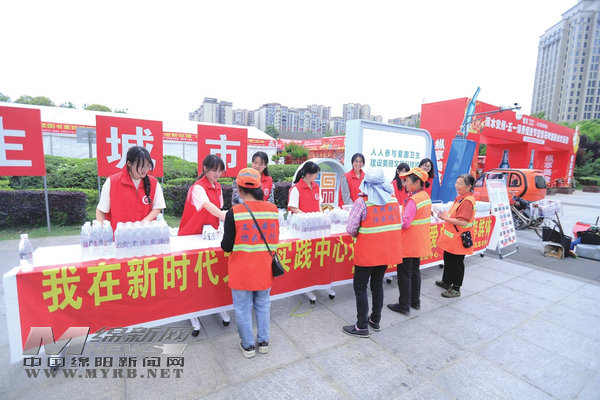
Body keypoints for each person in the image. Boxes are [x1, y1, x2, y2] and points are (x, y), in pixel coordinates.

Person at [221, 168, 279, 358]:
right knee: (263, 305)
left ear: (238, 189)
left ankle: (247, 346)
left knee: (242, 308)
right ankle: (263, 341)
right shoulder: (273, 210)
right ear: (258, 187)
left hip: (242, 271)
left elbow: (226, 246)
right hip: (264, 268)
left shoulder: (234, 213)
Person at [343, 168, 403, 338]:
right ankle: (375, 319)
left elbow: (351, 229)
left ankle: (361, 326)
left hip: (367, 253)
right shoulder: (393, 200)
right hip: (385, 252)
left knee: (360, 286)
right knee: (377, 285)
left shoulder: (362, 202)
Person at [387, 167, 432, 316]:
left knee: (404, 274)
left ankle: (404, 305)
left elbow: (405, 223)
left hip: (408, 243)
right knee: (415, 273)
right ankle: (415, 301)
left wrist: (394, 218)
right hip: (418, 242)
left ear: (417, 182)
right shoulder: (425, 196)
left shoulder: (413, 200)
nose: (405, 184)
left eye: (407, 181)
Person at [96, 146, 165, 232]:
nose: (145, 170)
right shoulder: (112, 182)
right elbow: (101, 210)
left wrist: (141, 225)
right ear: (129, 163)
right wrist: (102, 232)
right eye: (141, 166)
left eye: (148, 166)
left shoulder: (153, 183)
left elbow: (157, 208)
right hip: (119, 236)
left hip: (145, 234)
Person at [435, 174, 476, 298]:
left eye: (460, 184)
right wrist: (444, 215)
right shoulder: (461, 199)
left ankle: (456, 288)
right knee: (448, 260)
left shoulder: (467, 201)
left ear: (468, 186)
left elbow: (462, 222)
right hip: (453, 238)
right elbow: (455, 216)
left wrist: (445, 218)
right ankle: (447, 282)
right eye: (456, 182)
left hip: (459, 238)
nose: (456, 186)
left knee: (457, 264)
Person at [178, 155, 226, 236]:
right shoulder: (198, 187)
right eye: (214, 170)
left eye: (220, 170)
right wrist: (225, 217)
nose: (217, 174)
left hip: (210, 233)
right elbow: (206, 204)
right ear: (205, 168)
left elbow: (219, 208)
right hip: (192, 233)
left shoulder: (218, 187)